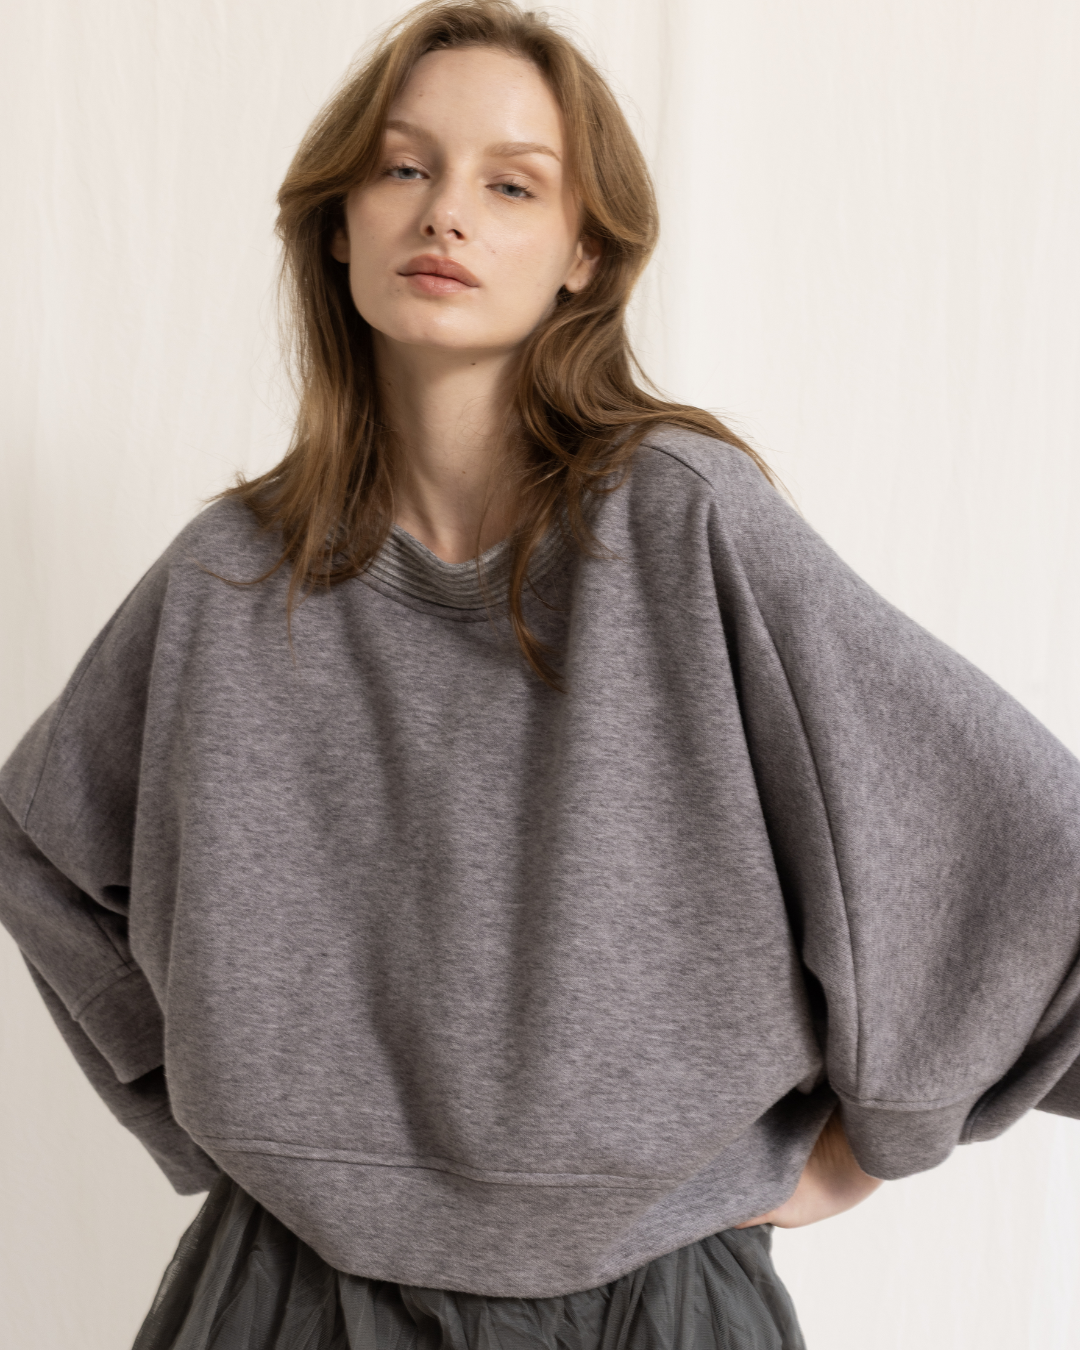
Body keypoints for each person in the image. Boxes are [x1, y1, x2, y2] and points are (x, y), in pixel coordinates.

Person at [1, 1, 1078, 1346]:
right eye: (403, 167)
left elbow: (1032, 864)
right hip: (280, 1297)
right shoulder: (228, 577)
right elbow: (37, 839)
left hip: (645, 1306)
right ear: (338, 223)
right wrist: (219, 1108)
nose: (445, 213)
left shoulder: (683, 522)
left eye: (511, 184)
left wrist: (867, 1148)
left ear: (584, 253)